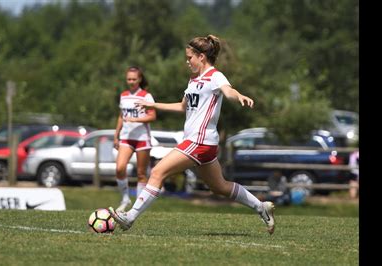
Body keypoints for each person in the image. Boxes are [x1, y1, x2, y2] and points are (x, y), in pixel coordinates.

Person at [109, 35, 276, 235]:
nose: (187, 62)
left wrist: (238, 95)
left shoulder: (215, 76)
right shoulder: (193, 79)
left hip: (200, 141)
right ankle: (261, 207)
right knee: (220, 186)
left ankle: (130, 217)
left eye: (190, 58)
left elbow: (228, 91)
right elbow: (182, 107)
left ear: (202, 57)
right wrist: (153, 104)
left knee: (157, 172)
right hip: (201, 143)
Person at [114, 66, 157, 211]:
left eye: (134, 79)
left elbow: (152, 116)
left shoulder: (146, 96)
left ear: (139, 79)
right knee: (120, 168)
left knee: (141, 174)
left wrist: (135, 120)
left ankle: (138, 207)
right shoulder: (124, 95)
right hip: (126, 138)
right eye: (128, 79)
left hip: (142, 138)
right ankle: (125, 199)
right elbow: (121, 116)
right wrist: (116, 135)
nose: (131, 81)